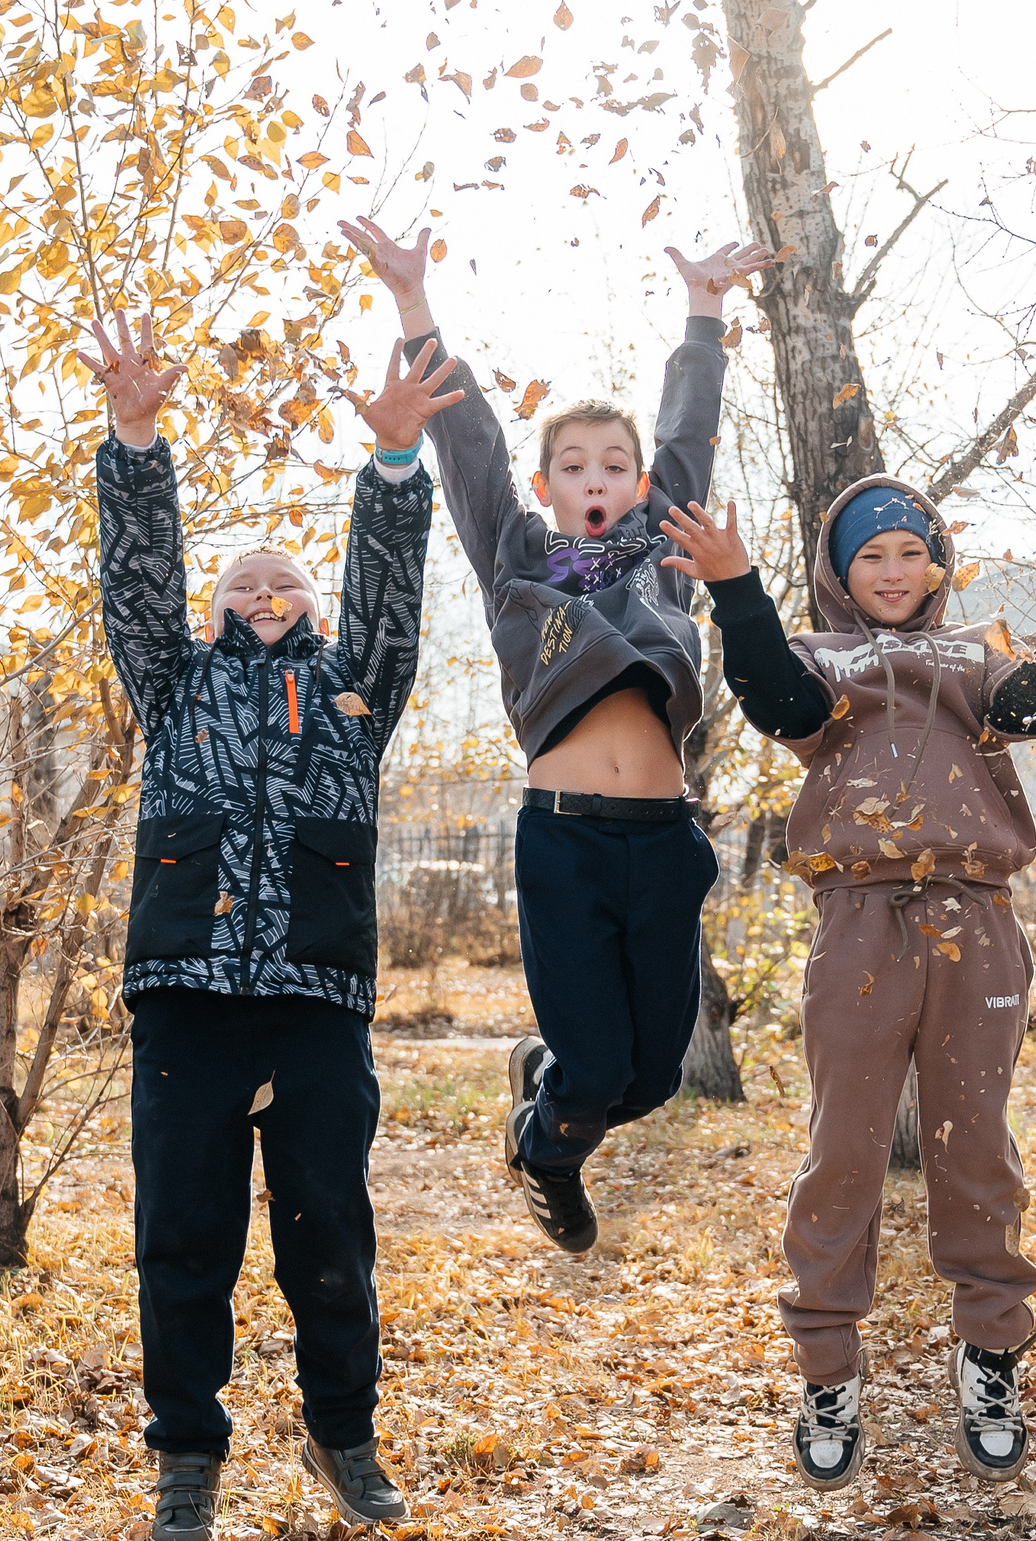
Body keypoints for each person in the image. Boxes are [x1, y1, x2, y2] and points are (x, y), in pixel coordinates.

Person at [661, 485, 1036, 1487]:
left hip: (973, 918)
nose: (894, 570)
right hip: (859, 921)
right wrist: (734, 585)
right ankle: (827, 1366)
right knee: (843, 1149)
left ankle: (989, 1353)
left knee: (975, 1142)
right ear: (841, 572)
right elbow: (774, 696)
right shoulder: (822, 658)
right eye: (872, 557)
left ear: (938, 565)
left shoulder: (973, 658)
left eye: (912, 552)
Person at [83, 315, 460, 1541]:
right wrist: (137, 439)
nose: (259, 592)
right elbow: (138, 579)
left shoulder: (359, 690)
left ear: (309, 606)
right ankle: (187, 1454)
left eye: (280, 580)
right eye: (238, 581)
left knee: (328, 1235)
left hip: (314, 997)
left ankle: (343, 1431)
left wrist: (394, 470)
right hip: (186, 992)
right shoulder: (171, 681)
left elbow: (391, 594)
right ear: (211, 610)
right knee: (183, 1237)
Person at [339, 214, 771, 1254]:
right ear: (545, 488)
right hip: (567, 839)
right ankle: (547, 1142)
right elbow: (469, 441)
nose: (594, 478)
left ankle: (548, 1105)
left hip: (665, 839)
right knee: (591, 1066)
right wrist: (412, 305)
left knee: (657, 1073)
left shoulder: (663, 547)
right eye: (572, 465)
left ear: (634, 485)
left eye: (612, 466)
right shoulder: (516, 557)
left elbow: (688, 433)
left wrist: (704, 312)